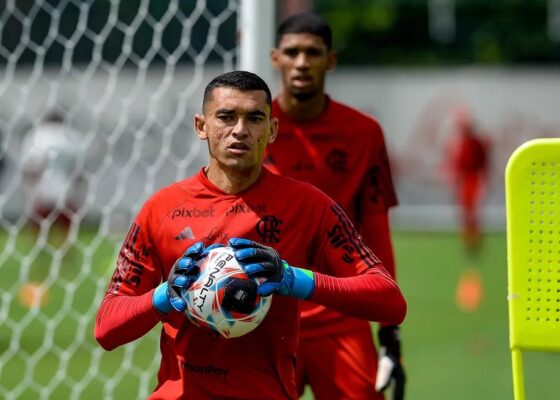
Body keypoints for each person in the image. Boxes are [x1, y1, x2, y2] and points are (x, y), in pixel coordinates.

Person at [94, 70, 407, 400]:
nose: (240, 131)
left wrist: (292, 279)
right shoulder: (162, 209)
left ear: (272, 130)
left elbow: (390, 300)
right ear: (201, 126)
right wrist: (163, 295)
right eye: (226, 117)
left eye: (254, 118)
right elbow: (106, 329)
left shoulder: (309, 205)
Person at [264, 13, 406, 400]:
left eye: (313, 52)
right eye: (292, 52)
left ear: (331, 60)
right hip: (267, 316)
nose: (302, 62)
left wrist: (389, 328)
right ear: (275, 59)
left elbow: (376, 227)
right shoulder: (253, 130)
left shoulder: (363, 133)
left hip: (342, 313)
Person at [20, 112, 84, 230]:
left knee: (39, 221)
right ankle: (64, 244)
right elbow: (79, 168)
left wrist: (28, 187)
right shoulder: (71, 136)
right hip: (66, 188)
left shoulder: (37, 135)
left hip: (42, 188)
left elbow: (30, 166)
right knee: (65, 222)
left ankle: (38, 243)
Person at [441, 107, 490, 252]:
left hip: (473, 177)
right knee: (464, 210)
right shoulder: (460, 143)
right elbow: (457, 163)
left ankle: (474, 239)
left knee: (473, 210)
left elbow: (482, 162)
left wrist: (483, 179)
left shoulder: (475, 143)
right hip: (464, 179)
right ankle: (466, 239)